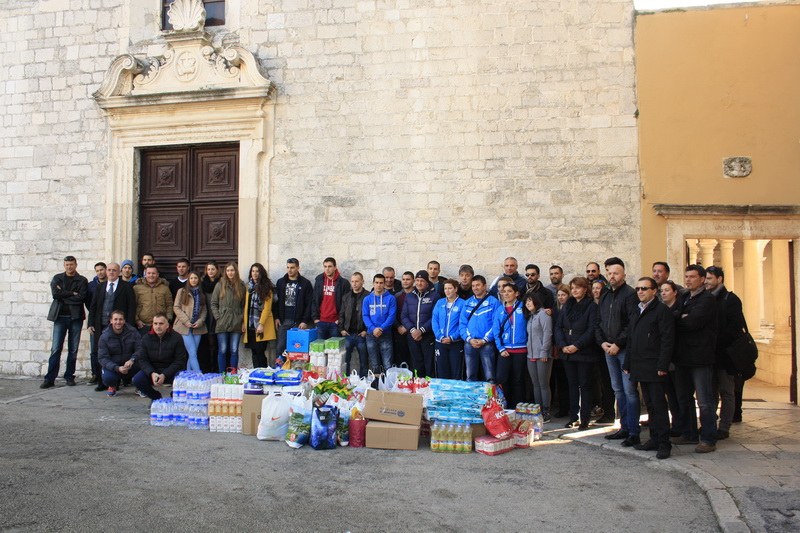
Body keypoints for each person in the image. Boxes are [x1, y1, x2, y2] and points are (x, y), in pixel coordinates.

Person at [624, 277, 675, 460]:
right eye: (638, 288)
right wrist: (627, 362)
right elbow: (632, 338)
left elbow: (667, 340)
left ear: (655, 291)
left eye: (644, 288)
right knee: (651, 405)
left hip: (655, 366)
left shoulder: (661, 311)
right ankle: (654, 439)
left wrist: (663, 364)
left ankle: (664, 443)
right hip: (640, 365)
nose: (640, 291)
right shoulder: (637, 310)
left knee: (659, 406)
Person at [673, 265, 719, 453]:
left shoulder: (708, 299)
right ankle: (689, 433)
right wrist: (680, 317)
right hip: (683, 356)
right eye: (686, 276)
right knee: (684, 398)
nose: (689, 280)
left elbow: (693, 323)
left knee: (705, 400)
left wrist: (682, 319)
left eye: (692, 277)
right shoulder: (683, 297)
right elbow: (673, 317)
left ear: (702, 279)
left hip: (701, 356)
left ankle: (708, 438)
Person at [595, 257, 640, 446]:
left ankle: (634, 431)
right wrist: (603, 343)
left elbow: (631, 324)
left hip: (624, 350)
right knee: (617, 390)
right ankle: (623, 427)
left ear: (624, 275)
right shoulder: (605, 295)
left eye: (616, 273)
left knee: (630, 390)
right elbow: (598, 322)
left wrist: (618, 344)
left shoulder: (630, 295)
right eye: (610, 273)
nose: (612, 276)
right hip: (608, 349)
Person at [705, 266, 746, 440]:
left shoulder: (731, 299)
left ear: (719, 279)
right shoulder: (705, 299)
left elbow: (735, 328)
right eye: (705, 278)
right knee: (710, 392)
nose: (706, 281)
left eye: (709, 278)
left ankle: (724, 426)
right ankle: (710, 425)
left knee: (726, 391)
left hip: (725, 355)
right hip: (709, 355)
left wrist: (716, 341)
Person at [554, 277, 599, 431]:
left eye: (577, 288)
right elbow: (559, 326)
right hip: (567, 352)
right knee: (572, 385)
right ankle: (574, 416)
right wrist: (562, 345)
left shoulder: (591, 306)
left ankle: (584, 419)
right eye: (572, 288)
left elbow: (592, 329)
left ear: (585, 289)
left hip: (584, 352)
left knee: (585, 386)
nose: (574, 291)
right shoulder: (568, 306)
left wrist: (576, 346)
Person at [87, 262, 137, 390]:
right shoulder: (100, 287)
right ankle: (102, 382)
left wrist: (129, 325)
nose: (111, 272)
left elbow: (131, 307)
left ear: (119, 272)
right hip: (101, 325)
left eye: (114, 270)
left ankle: (120, 380)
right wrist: (90, 323)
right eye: (109, 270)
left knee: (120, 351)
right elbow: (93, 306)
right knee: (99, 352)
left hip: (120, 327)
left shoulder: (126, 286)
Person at [42, 256, 88, 388]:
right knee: (56, 349)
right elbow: (55, 294)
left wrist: (64, 295)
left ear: (76, 265)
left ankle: (69, 376)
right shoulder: (57, 278)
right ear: (64, 265)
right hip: (59, 317)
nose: (69, 267)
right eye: (67, 265)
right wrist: (72, 294)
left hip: (75, 317)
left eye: (71, 264)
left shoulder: (82, 280)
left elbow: (81, 298)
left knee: (73, 349)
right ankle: (50, 379)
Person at [132, 313, 188, 401]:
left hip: (171, 370)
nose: (158, 326)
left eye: (161, 324)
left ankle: (174, 397)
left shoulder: (177, 338)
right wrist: (151, 373)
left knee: (183, 380)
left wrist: (164, 375)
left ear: (167, 325)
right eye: (155, 323)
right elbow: (142, 359)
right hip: (153, 370)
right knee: (137, 380)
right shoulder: (146, 338)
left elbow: (180, 361)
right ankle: (156, 398)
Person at [460, 275, 501, 382]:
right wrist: (469, 339)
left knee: (490, 376)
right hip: (470, 343)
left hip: (487, 344)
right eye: (473, 286)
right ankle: (471, 398)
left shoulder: (494, 302)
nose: (475, 288)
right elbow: (462, 324)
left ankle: (491, 398)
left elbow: (496, 324)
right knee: (470, 375)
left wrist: (485, 340)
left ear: (484, 286)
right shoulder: (467, 303)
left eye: (478, 285)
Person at [493, 283, 527, 409]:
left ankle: (517, 407)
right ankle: (504, 406)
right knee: (502, 379)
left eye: (509, 291)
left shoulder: (523, 307)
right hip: (504, 350)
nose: (506, 294)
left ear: (516, 293)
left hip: (521, 349)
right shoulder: (499, 310)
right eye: (504, 291)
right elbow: (496, 331)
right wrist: (500, 348)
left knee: (518, 380)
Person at [401, 270, 440, 377]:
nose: (419, 283)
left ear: (427, 282)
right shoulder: (409, 296)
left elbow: (435, 317)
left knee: (429, 364)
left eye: (422, 280)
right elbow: (404, 316)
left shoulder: (434, 296)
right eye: (417, 280)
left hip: (427, 336)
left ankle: (429, 386)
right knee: (416, 363)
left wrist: (421, 330)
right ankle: (419, 385)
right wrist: (413, 330)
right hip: (412, 336)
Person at [273, 258, 314, 357]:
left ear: (298, 268)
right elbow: (275, 302)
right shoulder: (281, 282)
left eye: (292, 267)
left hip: (298, 322)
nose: (289, 270)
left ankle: (295, 371)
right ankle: (280, 369)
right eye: (288, 267)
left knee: (297, 349)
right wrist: (276, 317)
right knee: (280, 348)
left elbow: (310, 303)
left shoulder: (305, 283)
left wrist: (305, 321)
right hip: (283, 321)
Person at [659, 280, 684, 435]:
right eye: (661, 290)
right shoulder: (662, 310)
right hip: (665, 359)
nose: (663, 293)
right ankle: (675, 425)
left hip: (678, 358)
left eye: (667, 290)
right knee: (670, 395)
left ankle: (683, 427)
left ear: (675, 292)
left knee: (680, 395)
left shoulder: (680, 309)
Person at [212, 262, 246, 372]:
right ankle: (222, 374)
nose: (230, 273)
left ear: (236, 271)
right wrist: (218, 317)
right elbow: (214, 303)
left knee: (234, 349)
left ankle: (233, 373)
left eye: (232, 270)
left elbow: (244, 305)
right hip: (222, 322)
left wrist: (242, 320)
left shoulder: (241, 286)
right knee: (222, 349)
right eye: (228, 270)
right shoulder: (219, 285)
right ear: (225, 272)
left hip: (236, 322)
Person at [98, 310, 142, 396]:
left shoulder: (133, 332)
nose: (118, 322)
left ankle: (140, 386)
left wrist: (132, 360)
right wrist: (117, 368)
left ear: (124, 321)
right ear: (111, 321)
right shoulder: (104, 336)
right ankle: (112, 385)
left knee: (145, 365)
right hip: (114, 367)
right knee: (108, 378)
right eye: (115, 319)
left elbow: (140, 349)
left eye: (120, 319)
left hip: (130, 364)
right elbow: (102, 358)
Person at [525, 291, 553, 421]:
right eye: (526, 301)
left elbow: (548, 334)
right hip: (531, 354)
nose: (528, 303)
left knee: (543, 384)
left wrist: (544, 351)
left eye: (530, 300)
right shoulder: (530, 317)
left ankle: (546, 411)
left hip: (543, 354)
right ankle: (538, 410)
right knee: (535, 384)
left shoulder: (543, 314)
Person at [243, 263, 277, 368]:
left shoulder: (267, 286)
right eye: (253, 271)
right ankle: (256, 373)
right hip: (250, 324)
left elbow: (267, 307)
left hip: (262, 324)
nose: (255, 273)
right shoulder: (248, 287)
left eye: (257, 271)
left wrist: (261, 324)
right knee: (254, 352)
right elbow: (246, 306)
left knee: (260, 351)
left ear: (261, 273)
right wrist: (244, 323)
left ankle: (263, 374)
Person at [172, 271, 207, 371]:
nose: (193, 280)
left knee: (193, 353)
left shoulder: (201, 293)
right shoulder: (181, 291)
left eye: (195, 278)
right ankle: (198, 375)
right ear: (188, 280)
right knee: (192, 352)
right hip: (184, 326)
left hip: (197, 327)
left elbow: (204, 310)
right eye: (191, 278)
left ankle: (189, 376)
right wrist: (186, 320)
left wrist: (200, 322)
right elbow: (176, 307)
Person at [432, 279, 466, 380]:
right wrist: (440, 336)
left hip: (455, 343)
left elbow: (463, 323)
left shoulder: (462, 303)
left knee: (456, 371)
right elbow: (434, 320)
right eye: (445, 288)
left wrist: (452, 337)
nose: (447, 291)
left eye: (450, 288)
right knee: (442, 371)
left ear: (456, 289)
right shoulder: (440, 302)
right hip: (440, 342)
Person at [363, 273, 397, 373]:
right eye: (377, 283)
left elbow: (391, 316)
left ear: (384, 284)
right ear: (373, 283)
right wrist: (373, 329)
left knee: (387, 364)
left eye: (381, 283)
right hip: (371, 335)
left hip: (385, 334)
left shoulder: (391, 298)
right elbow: (365, 315)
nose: (379, 285)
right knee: (374, 365)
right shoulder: (367, 299)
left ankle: (388, 387)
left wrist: (381, 328)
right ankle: (376, 386)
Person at [312, 257, 351, 340]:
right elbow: (314, 300)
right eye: (325, 266)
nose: (327, 269)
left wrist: (340, 321)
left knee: (335, 351)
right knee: (320, 351)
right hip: (321, 322)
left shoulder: (343, 283)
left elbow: (347, 305)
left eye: (329, 266)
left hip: (335, 323)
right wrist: (315, 318)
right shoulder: (319, 280)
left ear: (335, 267)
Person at [339, 273, 369, 376]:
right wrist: (341, 329)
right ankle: (344, 381)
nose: (354, 284)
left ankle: (363, 382)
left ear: (362, 281)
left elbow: (371, 315)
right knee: (344, 361)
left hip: (362, 334)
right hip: (348, 334)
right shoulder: (346, 297)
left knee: (364, 362)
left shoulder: (368, 296)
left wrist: (366, 330)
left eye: (356, 281)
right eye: (352, 281)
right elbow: (341, 314)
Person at [84, 262, 107, 385]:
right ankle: (95, 374)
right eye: (97, 270)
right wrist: (91, 322)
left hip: (108, 320)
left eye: (102, 270)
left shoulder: (110, 284)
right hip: (95, 321)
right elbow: (89, 304)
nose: (100, 272)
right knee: (94, 349)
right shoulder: (91, 286)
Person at [133, 265, 173, 336]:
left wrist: (167, 319)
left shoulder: (165, 288)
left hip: (160, 325)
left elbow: (169, 304)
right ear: (145, 274)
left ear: (157, 274)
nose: (151, 275)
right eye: (149, 273)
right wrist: (137, 320)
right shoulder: (137, 288)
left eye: (153, 273)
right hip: (144, 325)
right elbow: (133, 305)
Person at [550, 284, 571, 418]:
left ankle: (572, 408)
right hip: (558, 347)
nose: (561, 297)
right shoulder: (555, 309)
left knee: (571, 381)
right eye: (559, 295)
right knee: (561, 380)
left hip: (570, 347)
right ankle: (563, 408)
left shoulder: (572, 308)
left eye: (564, 295)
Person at [200, 261, 221, 372]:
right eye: (209, 269)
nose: (211, 271)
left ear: (217, 270)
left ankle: (218, 369)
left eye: (213, 269)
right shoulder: (202, 283)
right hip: (206, 317)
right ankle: (209, 370)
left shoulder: (222, 282)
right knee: (209, 346)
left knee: (219, 347)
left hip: (219, 317)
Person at [393, 271, 415, 367]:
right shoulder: (396, 296)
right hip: (399, 331)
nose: (405, 282)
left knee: (413, 359)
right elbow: (392, 314)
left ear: (413, 281)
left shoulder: (417, 296)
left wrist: (410, 327)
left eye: (408, 279)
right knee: (400, 360)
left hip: (413, 331)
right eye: (403, 279)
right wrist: (398, 326)